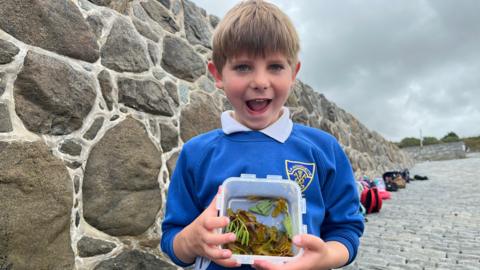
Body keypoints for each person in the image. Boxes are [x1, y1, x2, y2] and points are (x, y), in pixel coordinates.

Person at [161, 1, 364, 269]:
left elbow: (346, 231)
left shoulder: (323, 149)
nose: (260, 81)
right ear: (217, 74)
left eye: (276, 66)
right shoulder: (196, 154)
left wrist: (325, 256)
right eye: (243, 67)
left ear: (294, 73)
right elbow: (172, 238)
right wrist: (190, 241)